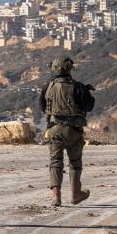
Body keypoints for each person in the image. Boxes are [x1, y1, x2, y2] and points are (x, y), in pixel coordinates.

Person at [40, 55, 94, 206]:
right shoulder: (77, 87)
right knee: (75, 163)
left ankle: (55, 196)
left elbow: (43, 107)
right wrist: (87, 92)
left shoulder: (48, 87)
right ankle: (76, 195)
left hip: (54, 129)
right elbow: (89, 106)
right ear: (69, 68)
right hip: (73, 130)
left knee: (55, 162)